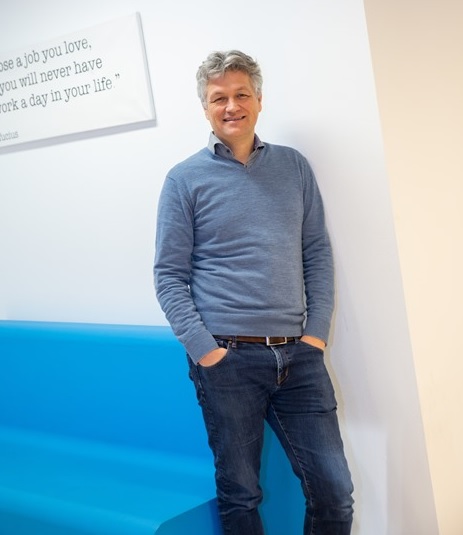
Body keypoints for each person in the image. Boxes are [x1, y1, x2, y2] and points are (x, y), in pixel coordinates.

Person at [154, 50, 354, 535]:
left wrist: (315, 337)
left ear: (259, 100)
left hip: (300, 357)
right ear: (205, 108)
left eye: (241, 94)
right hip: (229, 361)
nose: (231, 106)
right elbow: (168, 276)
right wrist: (207, 353)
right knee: (241, 495)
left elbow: (316, 253)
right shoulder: (184, 179)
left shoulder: (293, 166)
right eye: (218, 98)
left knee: (334, 492)